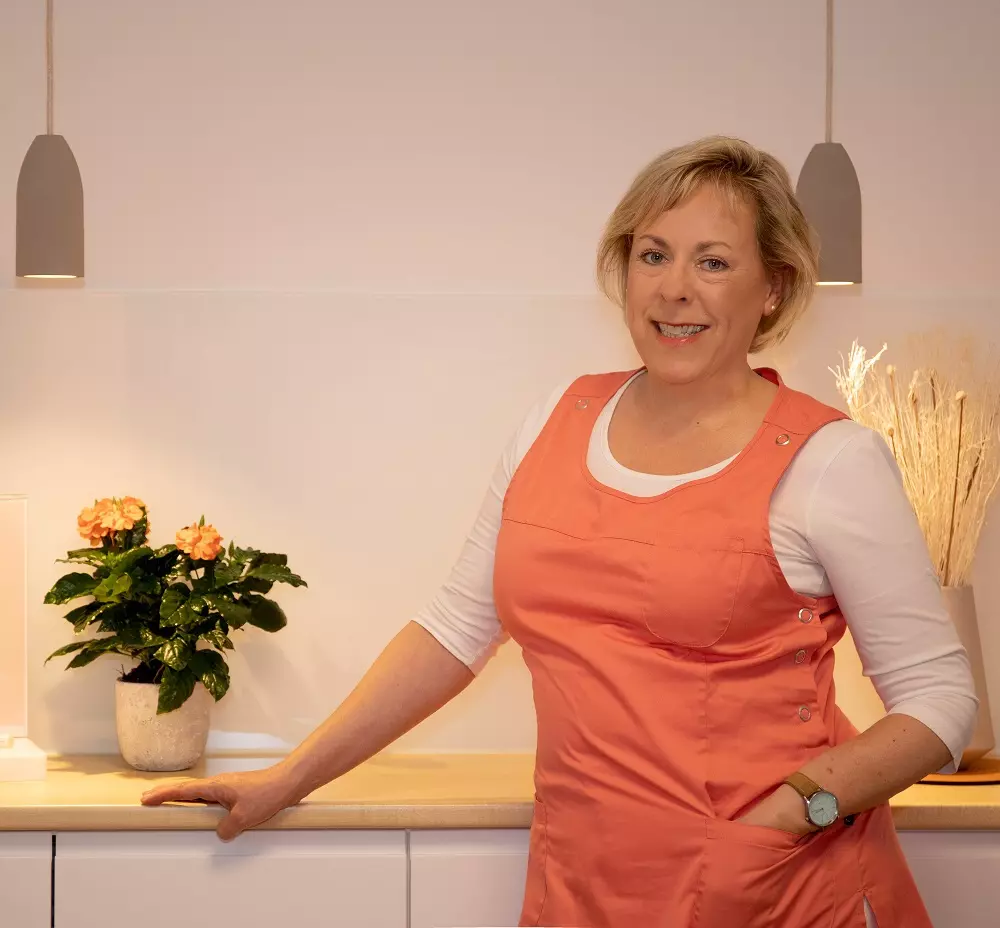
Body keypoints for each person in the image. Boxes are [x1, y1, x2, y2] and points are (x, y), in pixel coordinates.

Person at [142, 136, 977, 928]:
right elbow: (455, 630)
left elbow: (941, 702)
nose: (674, 289)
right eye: (653, 255)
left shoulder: (832, 461)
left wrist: (799, 810)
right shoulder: (557, 417)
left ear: (773, 289)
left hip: (777, 887)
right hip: (584, 880)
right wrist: (287, 778)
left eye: (713, 262)